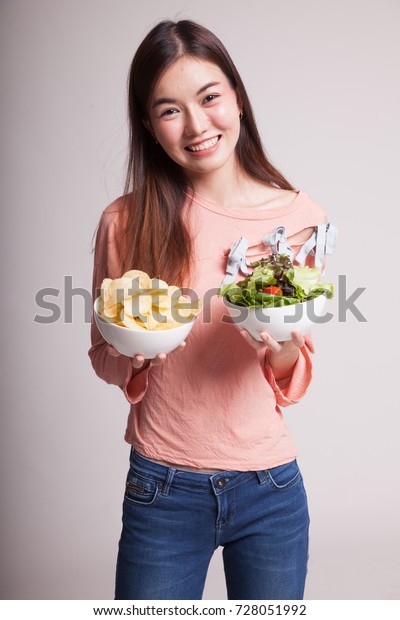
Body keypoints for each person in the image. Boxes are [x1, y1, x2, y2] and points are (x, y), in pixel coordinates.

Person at [89, 19, 335, 600]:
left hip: (270, 489)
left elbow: (293, 378)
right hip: (162, 489)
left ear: (238, 100)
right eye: (170, 110)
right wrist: (139, 359)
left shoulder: (302, 220)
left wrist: (282, 351)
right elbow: (102, 354)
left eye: (209, 98)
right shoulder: (126, 221)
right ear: (149, 127)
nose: (197, 125)